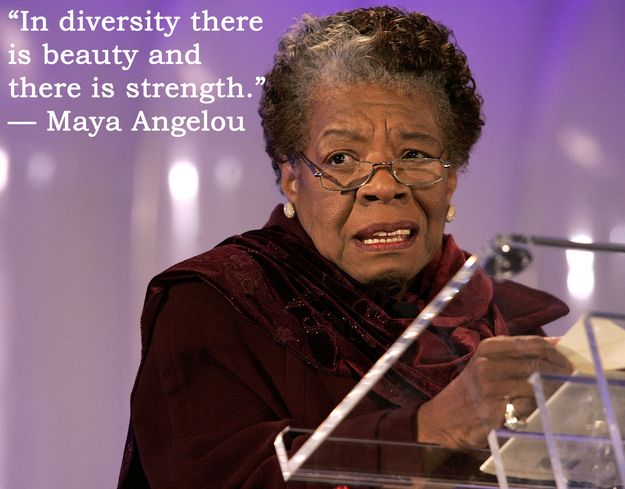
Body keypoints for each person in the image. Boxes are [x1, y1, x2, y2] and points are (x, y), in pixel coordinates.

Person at [117, 6, 572, 488]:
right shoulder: (214, 306)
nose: (383, 186)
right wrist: (428, 431)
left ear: (451, 177)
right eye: (341, 158)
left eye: (414, 154)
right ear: (292, 179)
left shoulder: (501, 325)